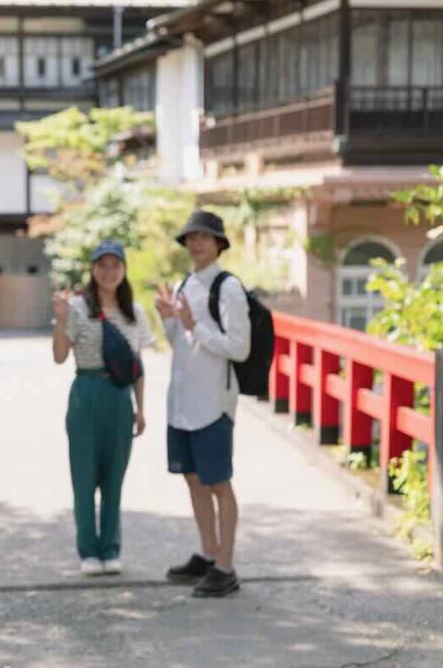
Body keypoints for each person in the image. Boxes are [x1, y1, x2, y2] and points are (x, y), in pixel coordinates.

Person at [155, 210, 251, 598]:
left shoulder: (228, 288)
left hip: (213, 402)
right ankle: (208, 552)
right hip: (182, 402)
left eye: (204, 237)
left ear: (218, 244)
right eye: (191, 237)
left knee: (218, 482)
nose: (196, 243)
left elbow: (239, 348)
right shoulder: (184, 283)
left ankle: (225, 567)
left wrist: (196, 326)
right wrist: (169, 319)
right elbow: (179, 342)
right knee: (193, 478)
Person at [52, 240, 154, 576]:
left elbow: (137, 365)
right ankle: (88, 550)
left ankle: (111, 548)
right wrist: (60, 320)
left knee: (114, 479)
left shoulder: (134, 312)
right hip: (86, 392)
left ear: (124, 270)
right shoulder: (78, 307)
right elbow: (60, 356)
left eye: (115, 265)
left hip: (119, 397)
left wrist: (140, 408)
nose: (109, 272)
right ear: (93, 269)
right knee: (84, 477)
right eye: (102, 265)